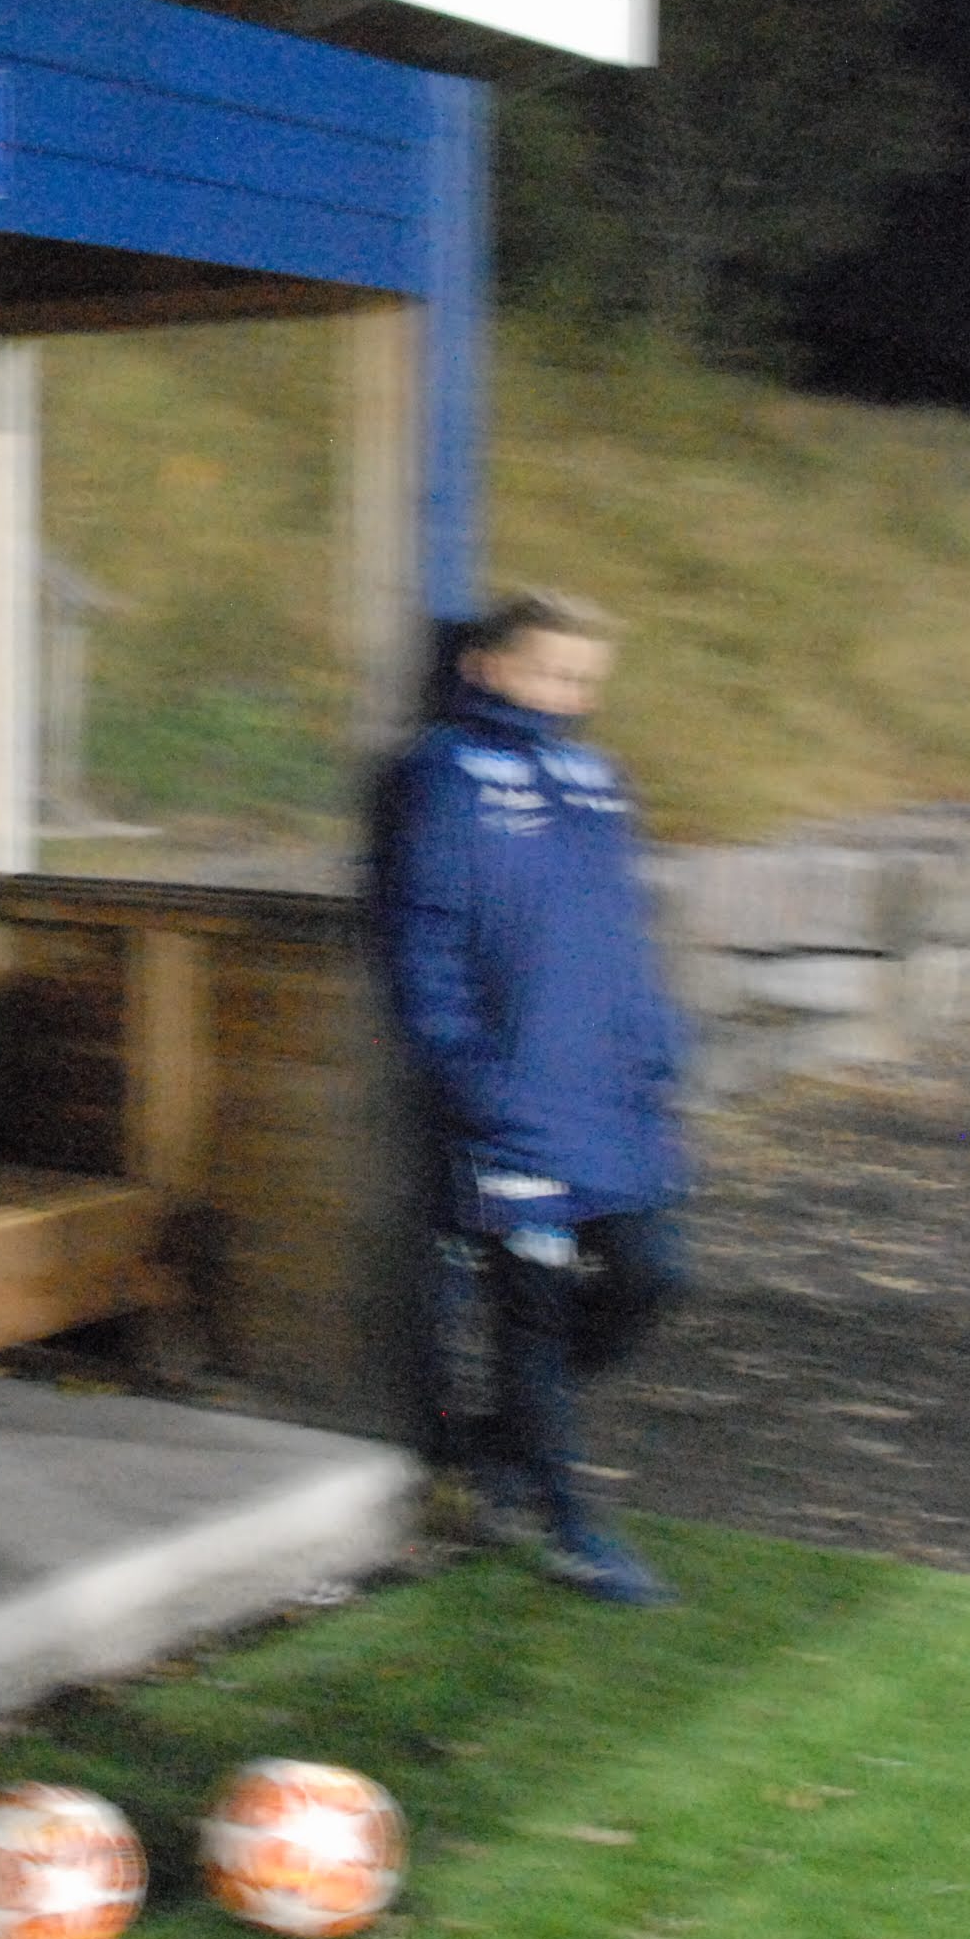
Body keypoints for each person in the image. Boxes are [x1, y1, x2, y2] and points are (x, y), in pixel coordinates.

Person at [368, 588, 690, 1608]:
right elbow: (416, 943)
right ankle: (569, 1528)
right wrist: (469, 1075)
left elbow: (620, 929)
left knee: (651, 1276)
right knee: (532, 1317)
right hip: (509, 1106)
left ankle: (498, 1446)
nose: (568, 693)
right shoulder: (438, 776)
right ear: (489, 668)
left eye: (583, 679)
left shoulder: (596, 779)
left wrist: (658, 1041)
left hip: (611, 1100)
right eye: (550, 671)